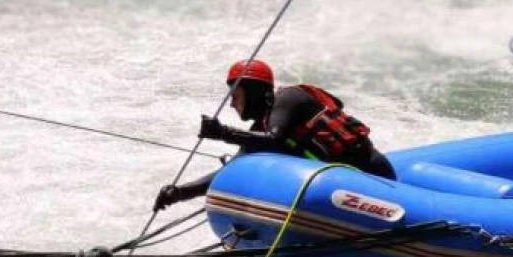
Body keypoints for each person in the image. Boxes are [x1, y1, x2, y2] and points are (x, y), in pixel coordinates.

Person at [153, 59, 396, 211]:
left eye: (235, 97)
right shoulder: (259, 130)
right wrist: (180, 192)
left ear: (253, 92)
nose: (231, 105)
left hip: (374, 174)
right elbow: (234, 168)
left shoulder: (289, 98)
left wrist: (222, 133)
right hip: (343, 188)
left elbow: (275, 140)